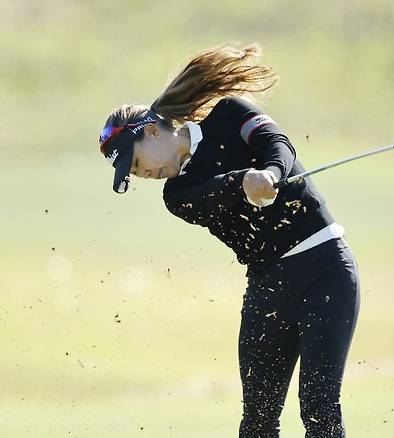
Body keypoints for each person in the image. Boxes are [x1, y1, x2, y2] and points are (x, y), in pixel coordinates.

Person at [97, 42, 360, 437]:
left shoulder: (230, 112)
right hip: (268, 287)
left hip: (324, 269)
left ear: (151, 132)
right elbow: (217, 191)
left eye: (135, 163)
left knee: (319, 409)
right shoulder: (178, 195)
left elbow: (277, 146)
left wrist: (270, 173)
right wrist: (245, 181)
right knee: (257, 421)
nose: (140, 175)